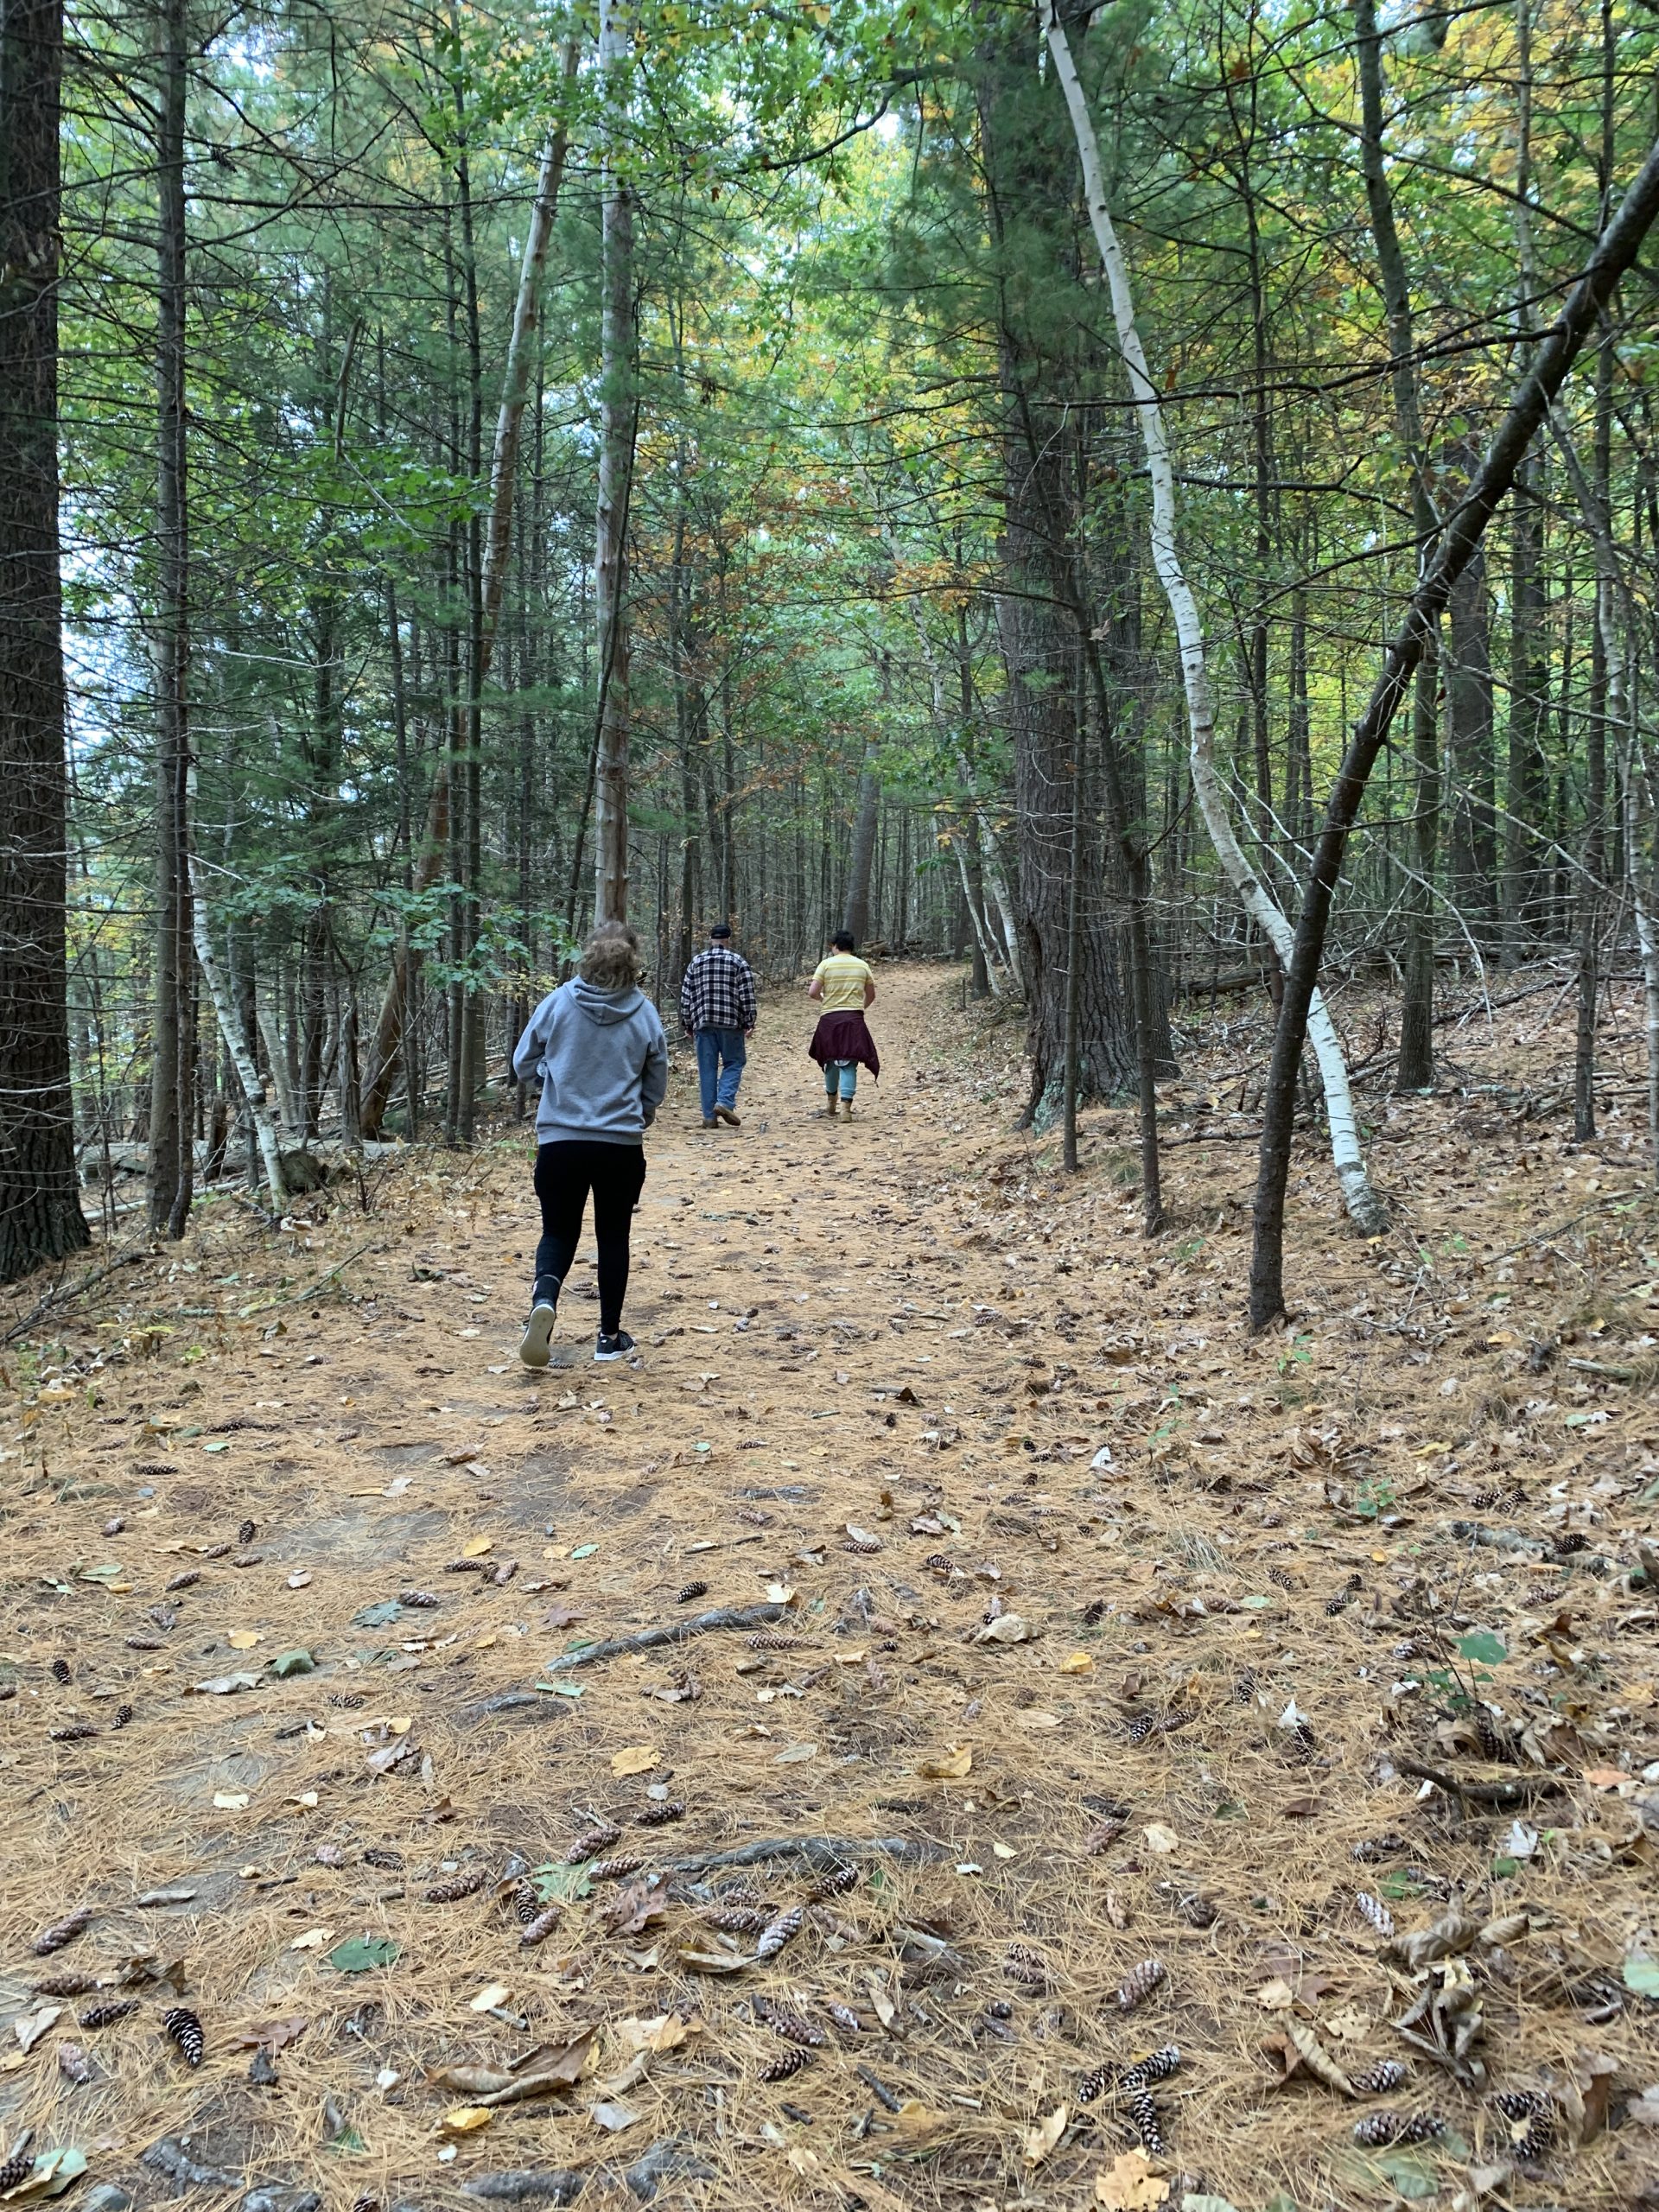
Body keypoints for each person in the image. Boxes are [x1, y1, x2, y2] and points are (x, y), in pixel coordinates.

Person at [511, 920, 668, 1367]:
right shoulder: (643, 1012)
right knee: (613, 1236)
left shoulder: (558, 1003)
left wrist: (550, 1079)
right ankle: (608, 1338)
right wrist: (644, 1112)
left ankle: (544, 1301)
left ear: (588, 956)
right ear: (633, 962)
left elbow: (524, 1062)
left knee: (558, 1231)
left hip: (561, 1141)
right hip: (619, 1144)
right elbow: (656, 1078)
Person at [679, 920, 757, 1129]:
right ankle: (724, 1101)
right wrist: (750, 1020)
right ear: (728, 940)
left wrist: (687, 1022)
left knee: (707, 1069)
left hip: (703, 1023)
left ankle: (708, 1117)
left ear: (711, 940)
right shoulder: (738, 962)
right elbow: (747, 995)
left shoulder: (696, 962)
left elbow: (686, 996)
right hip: (731, 1023)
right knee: (734, 1062)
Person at [806, 928, 878, 1118]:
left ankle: (831, 1105)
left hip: (830, 1019)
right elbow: (871, 995)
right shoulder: (862, 966)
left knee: (830, 1061)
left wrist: (826, 1001)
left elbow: (812, 992)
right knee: (849, 1063)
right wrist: (860, 1008)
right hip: (853, 1019)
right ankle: (846, 1109)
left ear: (835, 945)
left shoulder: (826, 965)